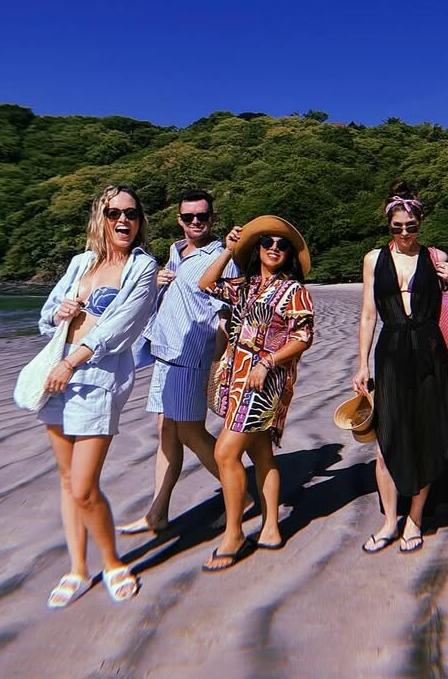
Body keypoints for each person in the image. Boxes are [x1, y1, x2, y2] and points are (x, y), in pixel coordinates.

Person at [34, 185, 158, 607]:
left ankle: (112, 562)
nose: (123, 220)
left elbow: (121, 327)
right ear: (100, 218)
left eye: (131, 214)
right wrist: (59, 314)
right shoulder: (81, 263)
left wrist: (71, 363)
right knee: (67, 480)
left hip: (97, 377)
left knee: (85, 486)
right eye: (114, 213)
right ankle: (77, 568)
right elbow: (46, 317)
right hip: (56, 374)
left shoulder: (142, 267)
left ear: (140, 221)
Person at [352, 182, 448, 555]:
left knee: (427, 438)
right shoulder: (374, 259)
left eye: (411, 226)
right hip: (390, 354)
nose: (404, 233)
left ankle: (414, 519)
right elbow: (368, 314)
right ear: (388, 224)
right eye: (397, 226)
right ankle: (389, 522)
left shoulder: (435, 256)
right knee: (387, 440)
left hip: (429, 352)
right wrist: (361, 363)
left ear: (421, 222)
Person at [117, 189, 238, 537]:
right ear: (179, 220)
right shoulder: (175, 251)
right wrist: (156, 280)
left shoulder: (224, 258)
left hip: (191, 356)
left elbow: (227, 316)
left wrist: (218, 364)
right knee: (166, 432)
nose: (195, 222)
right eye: (189, 217)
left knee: (189, 432)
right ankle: (157, 513)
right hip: (164, 352)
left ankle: (240, 496)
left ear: (212, 218)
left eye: (202, 216)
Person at [196, 216, 315, 570]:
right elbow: (206, 283)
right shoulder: (245, 287)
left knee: (224, 453)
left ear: (289, 254)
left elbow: (303, 336)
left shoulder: (293, 290)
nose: (274, 248)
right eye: (267, 242)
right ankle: (271, 529)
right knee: (262, 453)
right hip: (238, 380)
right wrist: (228, 249)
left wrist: (267, 361)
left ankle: (233, 535)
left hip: (265, 382)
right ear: (257, 249)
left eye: (282, 245)